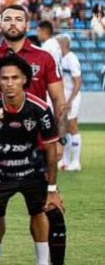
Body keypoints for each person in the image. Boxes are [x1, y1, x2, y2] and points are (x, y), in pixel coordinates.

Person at [0, 4, 67, 265]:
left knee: (42, 208)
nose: (13, 23)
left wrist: (60, 138)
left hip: (36, 147)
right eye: (7, 18)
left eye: (18, 19)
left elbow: (58, 99)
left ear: (28, 23)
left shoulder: (44, 57)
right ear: (0, 24)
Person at [56, 34, 82, 172]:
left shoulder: (71, 58)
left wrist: (71, 100)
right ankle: (64, 161)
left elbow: (78, 81)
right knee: (63, 128)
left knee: (72, 126)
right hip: (64, 97)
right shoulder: (62, 59)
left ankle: (76, 161)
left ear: (63, 44)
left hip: (72, 97)